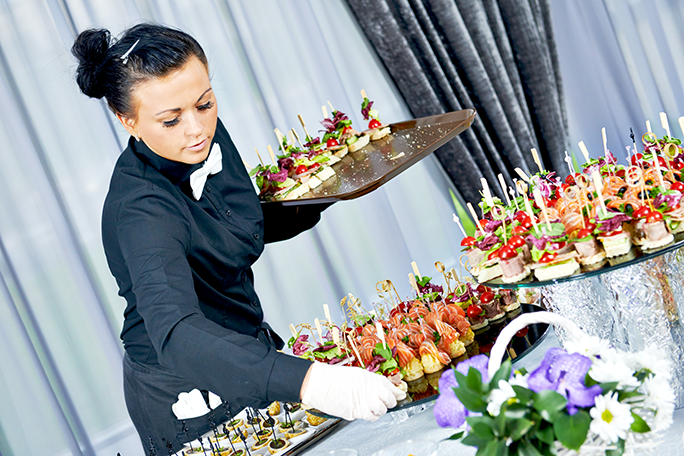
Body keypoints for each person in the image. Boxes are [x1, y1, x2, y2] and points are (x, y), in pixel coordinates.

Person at [71, 23, 404, 451]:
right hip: (185, 387)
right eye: (171, 120)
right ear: (126, 120)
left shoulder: (202, 137)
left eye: (205, 103)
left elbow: (236, 227)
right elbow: (176, 332)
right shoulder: (141, 210)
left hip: (245, 347)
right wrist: (310, 380)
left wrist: (339, 181)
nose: (196, 130)